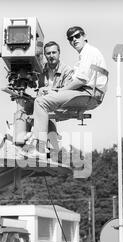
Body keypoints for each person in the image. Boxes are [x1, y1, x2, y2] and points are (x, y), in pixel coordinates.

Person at [25, 26, 107, 159]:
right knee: (43, 103)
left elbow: (80, 80)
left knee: (41, 102)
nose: (74, 40)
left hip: (88, 94)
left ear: (84, 36)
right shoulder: (84, 55)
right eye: (71, 38)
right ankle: (51, 145)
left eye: (77, 36)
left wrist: (56, 91)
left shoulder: (88, 52)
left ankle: (39, 147)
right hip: (88, 93)